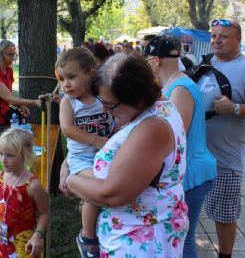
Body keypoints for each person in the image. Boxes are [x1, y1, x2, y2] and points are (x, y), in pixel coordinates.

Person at [63, 53, 189, 257]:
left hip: (141, 241)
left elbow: (112, 194)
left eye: (110, 104)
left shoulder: (152, 128)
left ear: (136, 98)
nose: (105, 109)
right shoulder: (154, 108)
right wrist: (68, 162)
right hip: (132, 232)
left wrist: (70, 180)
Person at [201, 19, 245, 258]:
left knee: (223, 217)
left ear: (238, 39)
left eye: (223, 36)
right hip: (198, 157)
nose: (217, 40)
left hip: (225, 161)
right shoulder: (208, 63)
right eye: (213, 36)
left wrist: (235, 109)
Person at [144, 36, 216, 258]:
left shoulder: (180, 88)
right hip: (188, 171)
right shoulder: (173, 84)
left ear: (155, 60)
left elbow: (175, 136)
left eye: (146, 59)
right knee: (176, 240)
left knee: (182, 242)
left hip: (192, 173)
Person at [56, 47, 113, 258]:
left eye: (71, 77)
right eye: (62, 79)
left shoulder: (102, 96)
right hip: (81, 159)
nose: (65, 84)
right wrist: (95, 139)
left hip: (104, 154)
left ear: (90, 72)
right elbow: (67, 129)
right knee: (96, 188)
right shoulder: (68, 102)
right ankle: (87, 236)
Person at [0, 128, 49, 258]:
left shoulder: (33, 186)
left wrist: (38, 234)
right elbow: (0, 204)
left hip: (25, 245)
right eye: (1, 154)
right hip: (3, 242)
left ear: (24, 155)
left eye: (10, 155)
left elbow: (45, 213)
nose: (3, 160)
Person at [0, 39, 41, 151]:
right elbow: (8, 97)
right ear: (0, 54)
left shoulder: (8, 71)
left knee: (9, 151)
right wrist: (34, 102)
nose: (13, 57)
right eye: (9, 54)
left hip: (4, 118)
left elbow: (9, 96)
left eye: (14, 54)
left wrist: (20, 105)